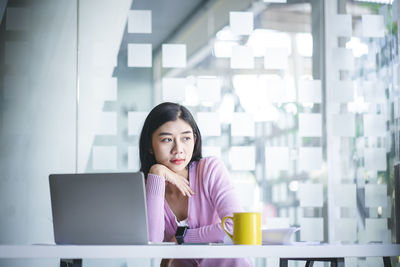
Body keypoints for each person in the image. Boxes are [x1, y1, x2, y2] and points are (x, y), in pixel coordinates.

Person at [139, 102, 252, 267]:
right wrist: (157, 172)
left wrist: (182, 238)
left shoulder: (210, 170)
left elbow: (236, 227)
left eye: (186, 138)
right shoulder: (147, 187)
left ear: (194, 139)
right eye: (167, 139)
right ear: (150, 145)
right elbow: (152, 242)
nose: (178, 149)